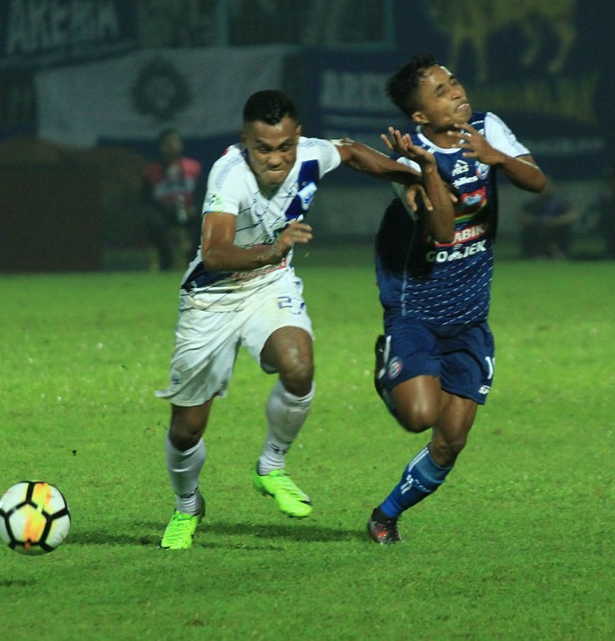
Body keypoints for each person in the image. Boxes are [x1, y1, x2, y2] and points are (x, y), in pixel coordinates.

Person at [156, 89, 429, 550]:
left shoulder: (310, 155)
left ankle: (271, 466)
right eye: (262, 148)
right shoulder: (229, 174)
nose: (275, 159)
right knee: (187, 428)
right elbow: (214, 252)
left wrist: (409, 174)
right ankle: (187, 506)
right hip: (212, 297)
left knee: (299, 366)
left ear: (297, 137)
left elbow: (351, 153)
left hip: (270, 285)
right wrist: (272, 249)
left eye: (285, 146)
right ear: (245, 140)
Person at [368, 53, 546, 545]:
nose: (457, 93)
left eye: (455, 83)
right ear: (420, 115)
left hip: (470, 317)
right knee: (418, 417)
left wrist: (498, 157)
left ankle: (385, 516)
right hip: (417, 313)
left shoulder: (487, 129)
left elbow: (536, 182)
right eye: (442, 92)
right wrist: (428, 168)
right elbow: (443, 232)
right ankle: (387, 367)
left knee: (450, 441)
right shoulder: (408, 159)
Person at [143, 128, 203, 271]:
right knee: (153, 221)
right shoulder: (152, 171)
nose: (171, 146)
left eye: (175, 142)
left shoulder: (193, 168)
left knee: (207, 219)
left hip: (188, 210)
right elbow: (145, 199)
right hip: (164, 213)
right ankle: (166, 260)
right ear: (161, 147)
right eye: (167, 143)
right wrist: (162, 208)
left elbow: (202, 193)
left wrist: (194, 207)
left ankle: (194, 258)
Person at [517, 179, 576, 259]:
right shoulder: (531, 204)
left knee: (565, 229)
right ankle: (535, 252)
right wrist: (537, 222)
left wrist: (556, 222)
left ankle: (558, 251)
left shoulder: (560, 204)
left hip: (556, 230)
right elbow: (520, 217)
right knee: (528, 230)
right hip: (537, 230)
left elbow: (572, 215)